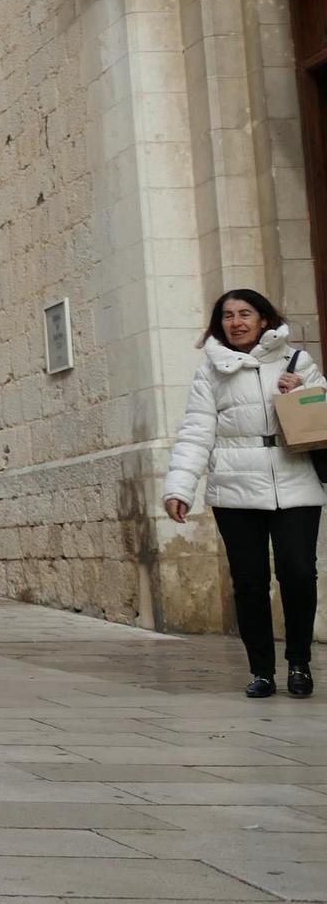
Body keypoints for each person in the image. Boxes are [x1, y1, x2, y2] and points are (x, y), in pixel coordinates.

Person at [165, 289, 327, 698]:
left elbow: (322, 413)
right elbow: (196, 431)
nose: (236, 322)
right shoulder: (212, 371)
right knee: (250, 582)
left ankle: (299, 663)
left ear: (264, 320)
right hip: (235, 490)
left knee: (297, 573)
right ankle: (261, 671)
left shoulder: (297, 361)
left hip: (295, 485)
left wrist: (302, 392)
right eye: (228, 316)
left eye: (245, 314)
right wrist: (180, 486)